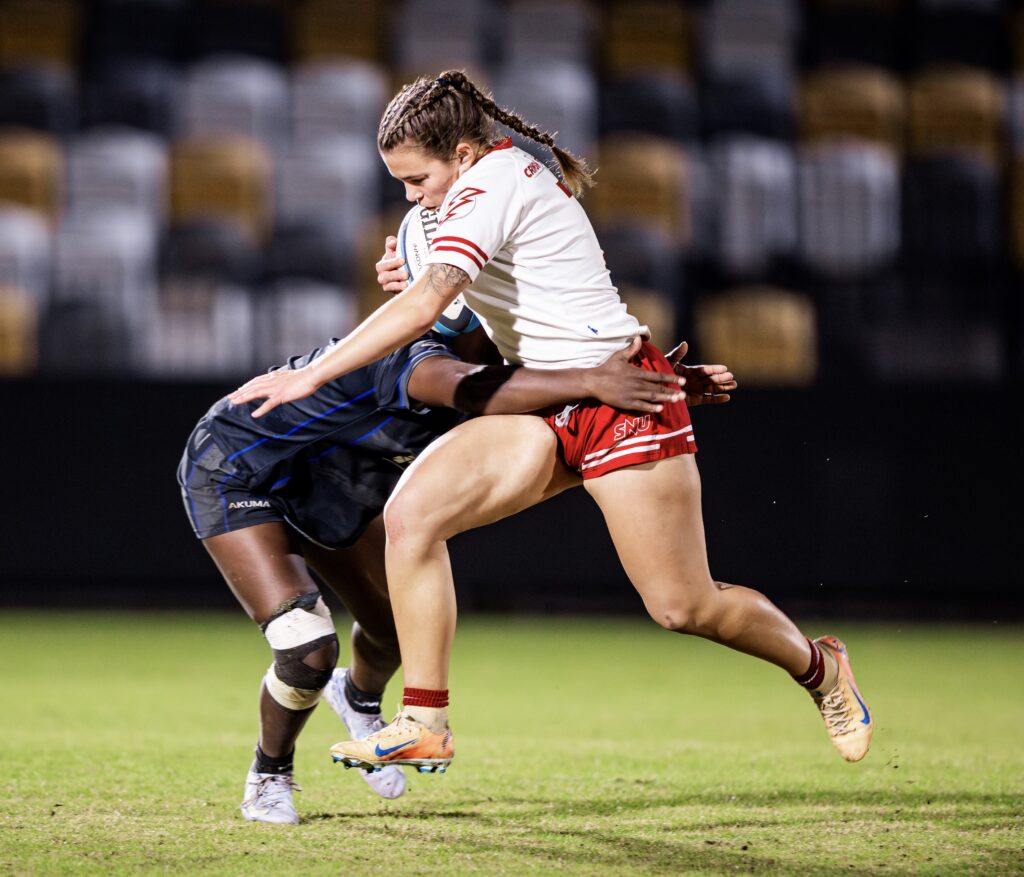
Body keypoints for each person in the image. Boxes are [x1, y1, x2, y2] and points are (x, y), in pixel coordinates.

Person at [228, 69, 873, 776]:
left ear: (465, 154)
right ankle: (425, 720)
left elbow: (425, 310)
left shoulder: (498, 180)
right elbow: (455, 314)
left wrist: (312, 371)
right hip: (545, 398)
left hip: (620, 399)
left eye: (418, 178)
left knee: (684, 606)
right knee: (412, 516)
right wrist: (412, 271)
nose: (410, 196)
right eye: (401, 183)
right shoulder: (442, 211)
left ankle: (821, 667)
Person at [180, 301, 731, 822]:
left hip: (334, 480)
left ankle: (357, 696)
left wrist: (662, 389)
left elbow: (558, 399)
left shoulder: (515, 364)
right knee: (307, 649)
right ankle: (270, 773)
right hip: (237, 468)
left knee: (399, 627)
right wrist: (594, 380)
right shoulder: (417, 356)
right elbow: (471, 389)